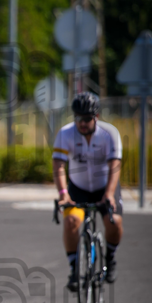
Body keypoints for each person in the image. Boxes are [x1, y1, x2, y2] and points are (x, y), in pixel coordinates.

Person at [52, 91, 124, 291]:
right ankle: (75, 269)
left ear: (96, 117)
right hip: (78, 188)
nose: (81, 123)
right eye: (77, 118)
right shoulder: (66, 133)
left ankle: (109, 259)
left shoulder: (110, 134)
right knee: (71, 221)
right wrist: (63, 193)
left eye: (86, 119)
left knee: (114, 221)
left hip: (105, 187)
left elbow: (114, 166)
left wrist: (109, 194)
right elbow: (58, 165)